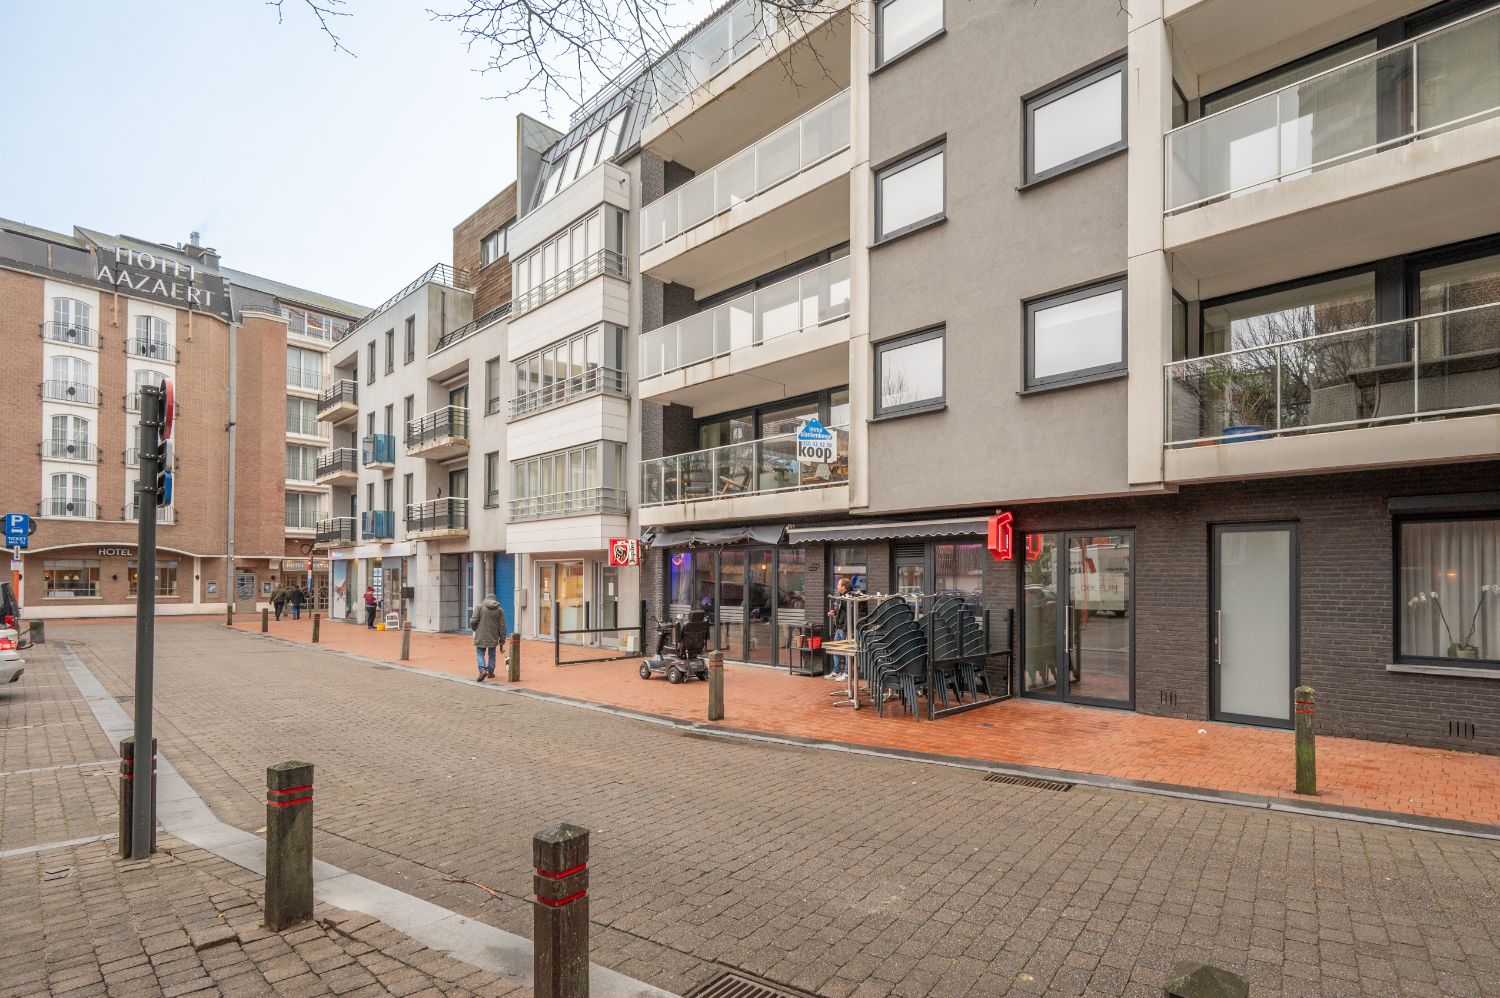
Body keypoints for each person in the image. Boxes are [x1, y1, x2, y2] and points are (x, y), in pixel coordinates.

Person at [469, 593, 507, 682]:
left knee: (480, 653)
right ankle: (490, 671)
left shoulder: (479, 607)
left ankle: (482, 670)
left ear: (485, 599)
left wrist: (475, 629)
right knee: (492, 654)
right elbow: (502, 626)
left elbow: (473, 620)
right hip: (493, 635)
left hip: (481, 634)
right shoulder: (499, 610)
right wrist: (502, 640)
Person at [825, 578, 852, 680]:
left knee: (847, 651)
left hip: (844, 629)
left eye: (838, 585)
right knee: (836, 649)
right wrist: (834, 612)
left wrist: (845, 628)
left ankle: (847, 673)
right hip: (839, 628)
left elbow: (850, 613)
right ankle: (836, 671)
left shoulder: (848, 597)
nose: (837, 586)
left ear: (843, 587)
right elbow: (842, 611)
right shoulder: (842, 596)